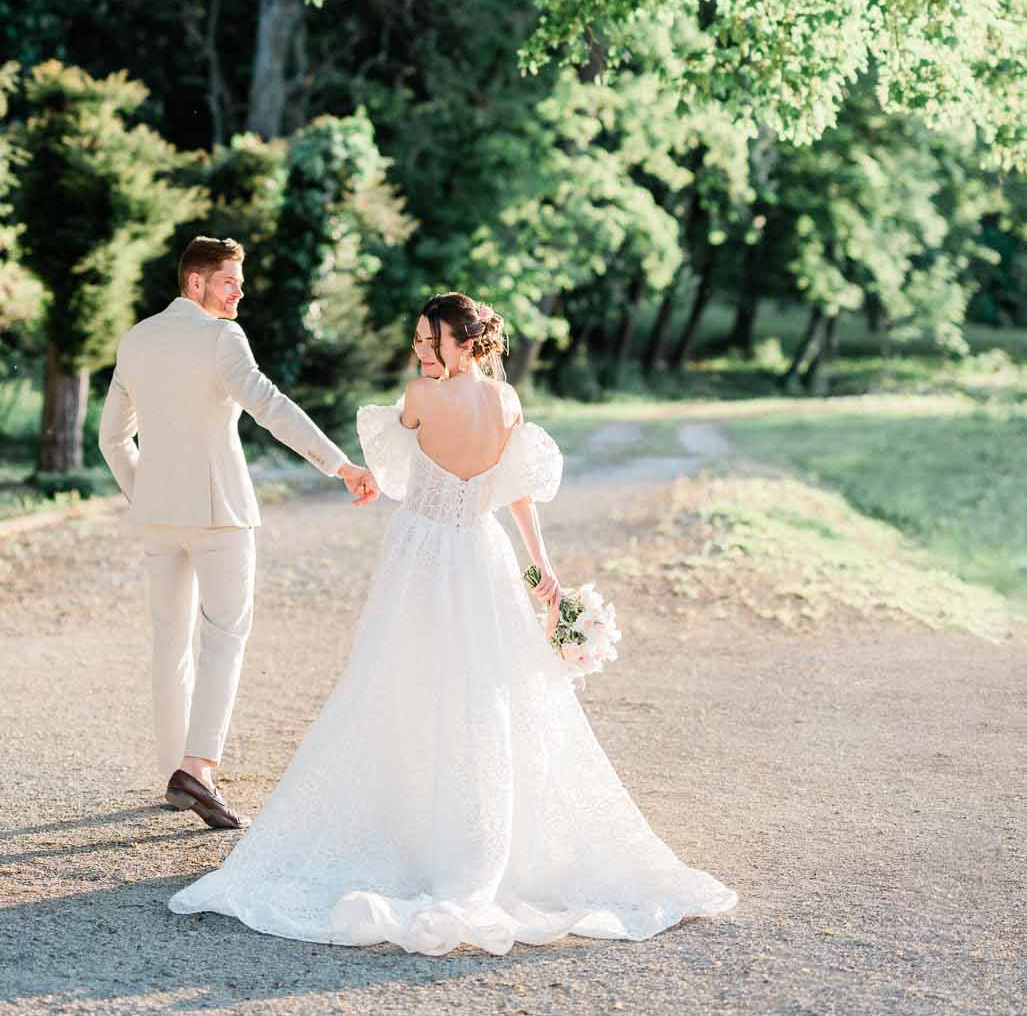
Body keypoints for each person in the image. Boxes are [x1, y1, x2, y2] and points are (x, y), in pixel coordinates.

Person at [167, 291, 738, 953]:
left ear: (462, 343)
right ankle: (468, 832)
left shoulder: (418, 397)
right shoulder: (507, 402)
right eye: (416, 338)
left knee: (401, 681)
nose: (419, 349)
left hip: (421, 550)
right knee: (484, 690)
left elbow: (396, 473)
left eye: (428, 339)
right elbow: (516, 493)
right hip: (481, 550)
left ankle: (416, 830)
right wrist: (541, 568)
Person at [98, 235, 379, 832]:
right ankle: (197, 770)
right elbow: (268, 405)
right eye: (229, 281)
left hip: (157, 515)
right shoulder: (222, 337)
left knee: (168, 642)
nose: (238, 293)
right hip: (220, 512)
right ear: (195, 283)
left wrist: (144, 491)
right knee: (223, 638)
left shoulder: (137, 339)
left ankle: (175, 769)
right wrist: (340, 465)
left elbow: (112, 440)